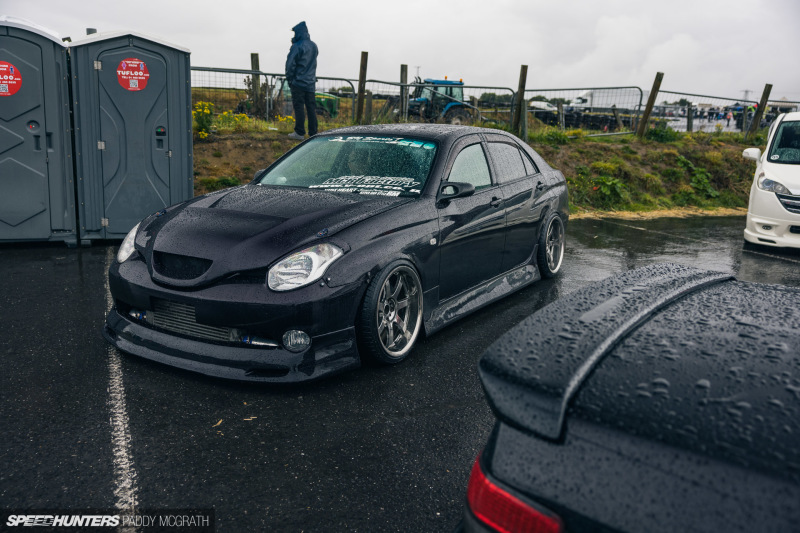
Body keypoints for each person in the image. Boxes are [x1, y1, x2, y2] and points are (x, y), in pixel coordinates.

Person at [285, 21, 318, 140]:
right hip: (310, 83)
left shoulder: (297, 46)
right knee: (311, 109)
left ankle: (299, 133)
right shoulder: (314, 46)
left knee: (299, 107)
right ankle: (313, 133)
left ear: (298, 32)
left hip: (298, 83)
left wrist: (290, 80)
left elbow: (290, 65)